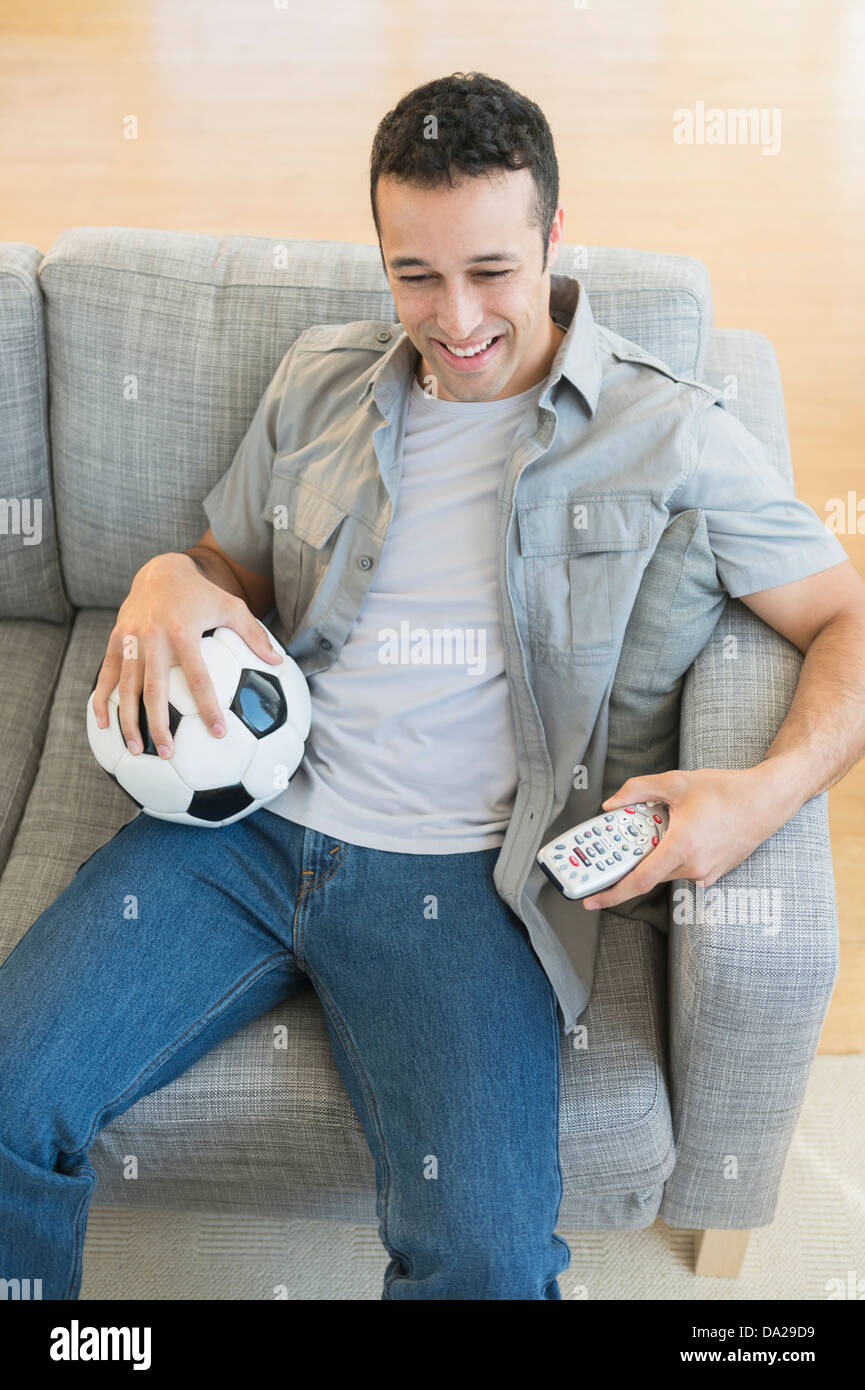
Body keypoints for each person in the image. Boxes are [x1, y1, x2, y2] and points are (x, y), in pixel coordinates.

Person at [1, 71, 861, 1302]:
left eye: (491, 271)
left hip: (464, 883)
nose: (453, 319)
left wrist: (760, 796)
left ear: (557, 240)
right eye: (415, 275)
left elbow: (845, 616)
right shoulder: (322, 377)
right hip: (240, 826)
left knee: (491, 1264)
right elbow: (223, 568)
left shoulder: (665, 430)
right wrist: (162, 577)